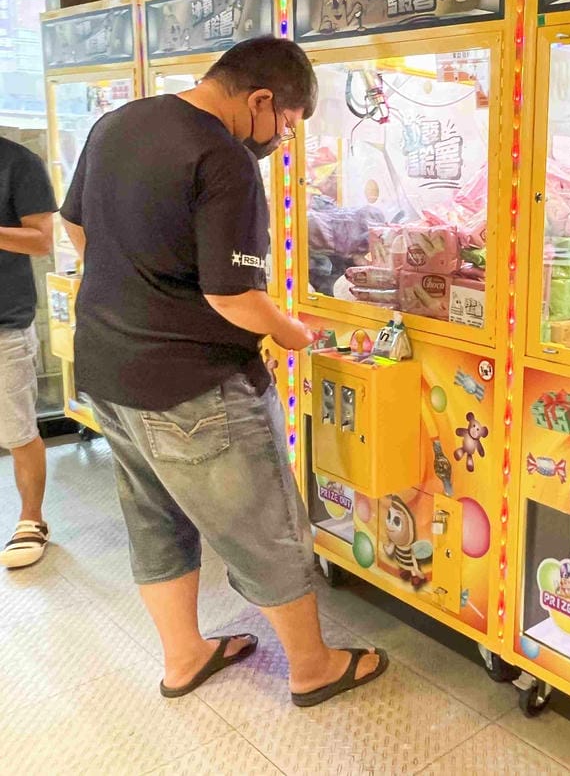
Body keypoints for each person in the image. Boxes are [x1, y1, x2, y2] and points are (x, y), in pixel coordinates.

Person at [60, 37, 387, 705]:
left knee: (154, 519)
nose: (283, 140)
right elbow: (231, 297)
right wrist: (294, 332)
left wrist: (141, 289)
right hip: (194, 386)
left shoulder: (117, 123)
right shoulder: (224, 158)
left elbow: (78, 231)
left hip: (108, 371)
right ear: (260, 100)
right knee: (265, 525)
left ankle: (184, 657)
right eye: (287, 123)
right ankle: (312, 667)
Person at [0, 136, 56, 569]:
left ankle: (31, 518)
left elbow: (41, 241)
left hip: (5, 322)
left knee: (17, 429)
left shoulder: (19, 162)